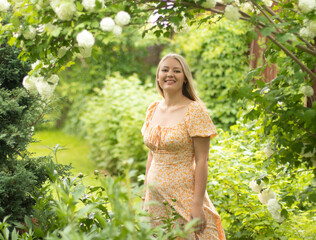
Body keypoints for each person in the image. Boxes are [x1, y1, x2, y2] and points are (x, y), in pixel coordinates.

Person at [141, 53, 226, 240]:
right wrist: (145, 195)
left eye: (176, 71)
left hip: (184, 196)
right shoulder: (153, 108)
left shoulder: (194, 111)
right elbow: (151, 156)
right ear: (158, 76)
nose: (169, 74)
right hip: (154, 199)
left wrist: (197, 204)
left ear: (185, 78)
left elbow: (202, 160)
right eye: (165, 70)